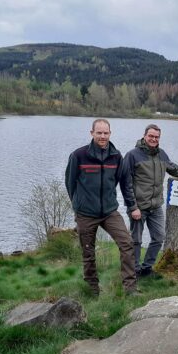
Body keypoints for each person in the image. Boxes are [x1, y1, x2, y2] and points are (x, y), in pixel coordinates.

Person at [65, 119, 138, 296]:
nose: (103, 136)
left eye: (106, 133)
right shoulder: (79, 155)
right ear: (92, 133)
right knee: (88, 251)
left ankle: (130, 289)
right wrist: (78, 207)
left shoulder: (116, 156)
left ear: (110, 134)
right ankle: (92, 289)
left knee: (127, 243)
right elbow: (70, 184)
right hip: (86, 213)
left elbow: (125, 184)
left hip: (109, 212)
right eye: (99, 133)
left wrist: (132, 206)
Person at [122, 124, 178, 277]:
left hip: (156, 206)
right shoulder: (132, 155)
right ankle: (134, 271)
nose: (153, 139)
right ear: (144, 136)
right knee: (136, 240)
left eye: (156, 137)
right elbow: (125, 183)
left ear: (159, 138)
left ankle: (146, 268)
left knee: (159, 237)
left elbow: (173, 168)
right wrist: (132, 207)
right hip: (139, 206)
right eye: (151, 136)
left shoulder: (161, 154)